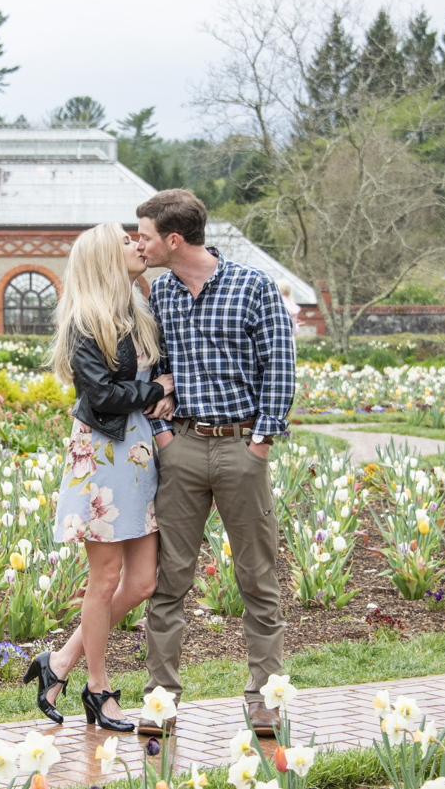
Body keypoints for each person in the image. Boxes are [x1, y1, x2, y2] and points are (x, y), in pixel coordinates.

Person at [134, 189, 296, 738]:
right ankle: (161, 701)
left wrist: (260, 445)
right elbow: (156, 366)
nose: (140, 245)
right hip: (180, 448)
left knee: (258, 578)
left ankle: (266, 699)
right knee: (168, 581)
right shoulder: (160, 294)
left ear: (173, 240)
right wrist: (163, 437)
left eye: (146, 236)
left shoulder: (253, 287)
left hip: (241, 447)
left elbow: (280, 366)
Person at [23, 222, 173, 733]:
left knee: (144, 581)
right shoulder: (85, 320)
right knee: (105, 579)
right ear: (107, 257)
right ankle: (97, 686)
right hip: (103, 456)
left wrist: (163, 390)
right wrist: (157, 389)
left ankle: (60, 661)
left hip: (138, 451)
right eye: (126, 241)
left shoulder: (138, 310)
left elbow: (155, 376)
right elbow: (103, 395)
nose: (138, 245)